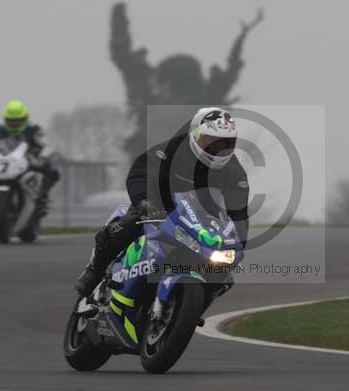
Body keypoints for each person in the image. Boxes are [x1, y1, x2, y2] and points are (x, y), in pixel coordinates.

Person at [75, 106, 250, 297]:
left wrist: (238, 243)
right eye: (210, 141)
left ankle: (185, 307)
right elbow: (141, 172)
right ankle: (95, 269)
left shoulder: (234, 171)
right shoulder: (171, 149)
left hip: (202, 215)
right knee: (127, 224)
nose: (217, 149)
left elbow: (239, 210)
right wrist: (143, 201)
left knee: (223, 274)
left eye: (225, 144)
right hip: (158, 204)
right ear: (194, 134)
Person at [0, 100, 60, 214]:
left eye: (18, 121)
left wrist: (42, 157)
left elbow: (47, 146)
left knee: (53, 172)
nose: (14, 124)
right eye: (11, 121)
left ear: (25, 118)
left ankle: (42, 196)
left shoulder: (33, 130)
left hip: (29, 161)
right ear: (5, 120)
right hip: (3, 161)